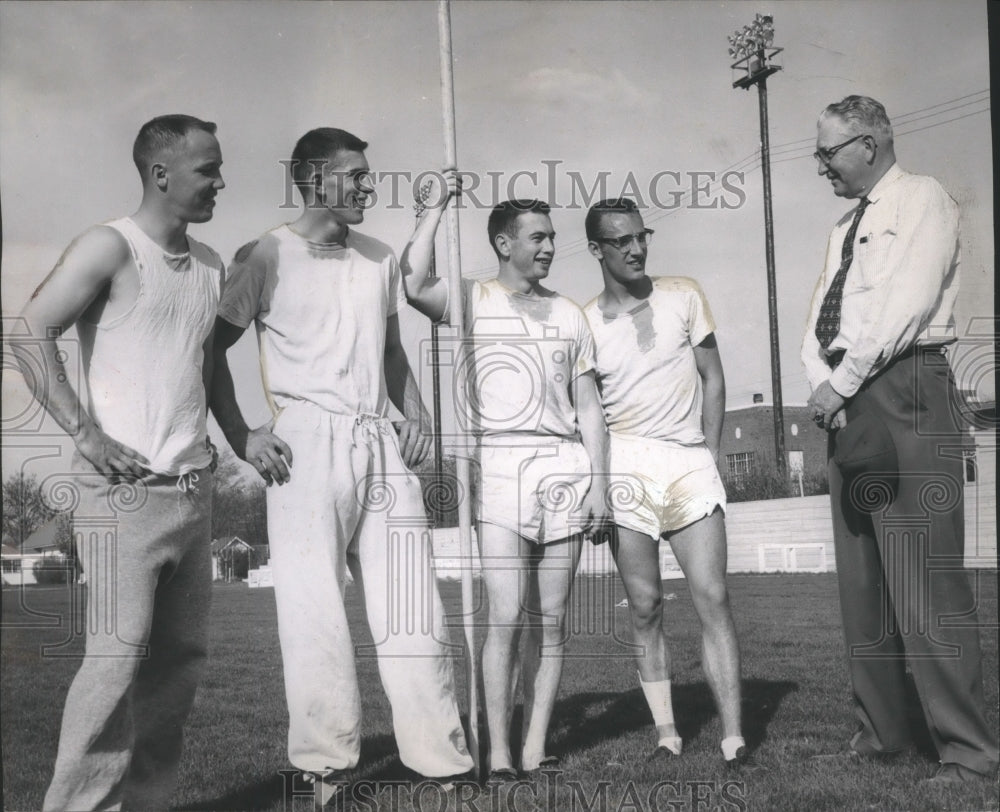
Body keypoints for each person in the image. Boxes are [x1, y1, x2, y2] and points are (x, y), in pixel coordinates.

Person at [209, 128, 472, 798]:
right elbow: (211, 351)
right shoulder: (265, 254)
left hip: (377, 438)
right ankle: (325, 766)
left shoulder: (380, 257)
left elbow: (389, 353)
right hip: (303, 446)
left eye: (367, 174)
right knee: (313, 611)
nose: (367, 186)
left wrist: (415, 418)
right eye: (355, 175)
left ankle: (441, 759)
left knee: (413, 605)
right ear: (316, 180)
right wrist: (242, 436)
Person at [12, 114, 226, 810]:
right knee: (114, 663)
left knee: (178, 667)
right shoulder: (110, 246)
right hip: (121, 496)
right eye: (208, 169)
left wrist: (222, 436)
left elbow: (201, 364)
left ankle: (149, 804)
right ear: (161, 173)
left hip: (192, 495)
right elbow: (28, 331)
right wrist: (86, 433)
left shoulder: (212, 265)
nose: (221, 181)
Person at [802, 95, 998, 784]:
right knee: (864, 581)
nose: (819, 165)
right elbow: (822, 310)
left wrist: (844, 380)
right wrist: (821, 381)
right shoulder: (841, 226)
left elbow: (906, 303)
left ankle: (968, 752)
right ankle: (881, 736)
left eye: (826, 152)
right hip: (846, 401)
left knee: (926, 582)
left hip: (905, 386)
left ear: (869, 142)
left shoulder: (925, 199)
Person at [402, 192, 609, 784]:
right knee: (506, 616)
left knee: (553, 619)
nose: (548, 246)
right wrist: (434, 209)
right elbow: (415, 283)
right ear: (503, 243)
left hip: (564, 465)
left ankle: (536, 745)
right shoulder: (473, 299)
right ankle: (497, 749)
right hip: (499, 463)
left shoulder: (571, 313)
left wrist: (598, 484)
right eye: (537, 237)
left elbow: (589, 407)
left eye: (550, 236)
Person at [580, 198, 747, 768]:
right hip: (626, 468)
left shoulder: (683, 294)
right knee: (646, 606)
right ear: (597, 249)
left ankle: (733, 737)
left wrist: (713, 454)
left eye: (641, 236)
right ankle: (667, 736)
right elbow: (590, 415)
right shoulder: (584, 322)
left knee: (714, 598)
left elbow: (714, 379)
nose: (636, 248)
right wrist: (598, 484)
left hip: (688, 461)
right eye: (621, 241)